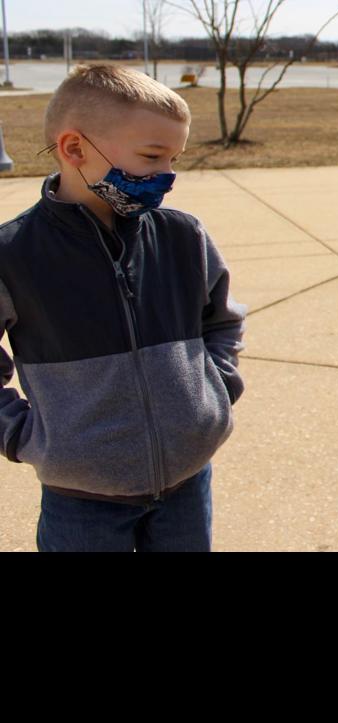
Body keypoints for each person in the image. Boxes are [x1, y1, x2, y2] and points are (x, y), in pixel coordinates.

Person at [0, 65, 246, 552]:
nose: (167, 177)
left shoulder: (181, 235)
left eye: (174, 158)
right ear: (74, 149)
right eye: (152, 157)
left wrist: (216, 389)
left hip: (186, 486)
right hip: (81, 501)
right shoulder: (13, 254)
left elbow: (221, 319)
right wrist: (20, 433)